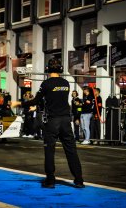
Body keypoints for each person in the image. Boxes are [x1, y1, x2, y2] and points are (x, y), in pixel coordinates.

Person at [11, 57, 84, 189]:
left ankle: (50, 181)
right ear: (60, 69)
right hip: (66, 121)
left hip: (52, 121)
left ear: (47, 69)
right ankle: (79, 180)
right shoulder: (66, 83)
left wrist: (19, 103)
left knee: (49, 151)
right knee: (71, 151)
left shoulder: (46, 84)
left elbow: (36, 101)